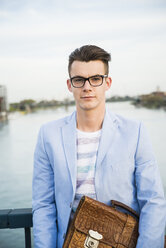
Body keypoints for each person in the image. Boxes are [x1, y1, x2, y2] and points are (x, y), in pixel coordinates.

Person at [32, 45, 166, 248]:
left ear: (107, 82)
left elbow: (153, 200)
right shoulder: (48, 135)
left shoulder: (135, 132)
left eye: (96, 79)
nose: (87, 87)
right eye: (79, 80)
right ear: (70, 85)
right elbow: (43, 205)